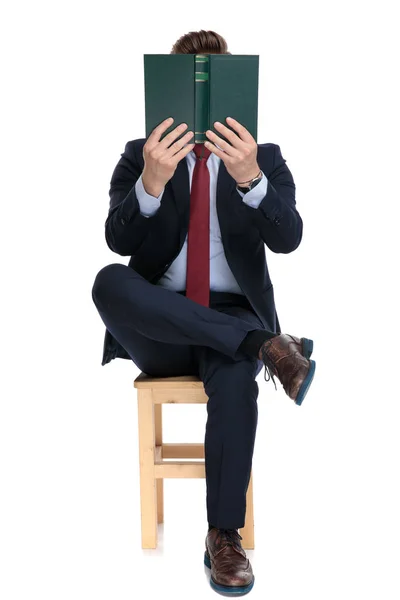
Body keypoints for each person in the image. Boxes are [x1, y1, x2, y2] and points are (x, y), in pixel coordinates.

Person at [91, 29, 316, 596]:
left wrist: (251, 180)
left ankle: (224, 536)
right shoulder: (138, 154)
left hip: (232, 320)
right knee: (107, 282)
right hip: (157, 324)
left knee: (238, 379)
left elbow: (289, 238)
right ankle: (267, 347)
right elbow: (118, 242)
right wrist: (151, 182)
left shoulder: (262, 157)